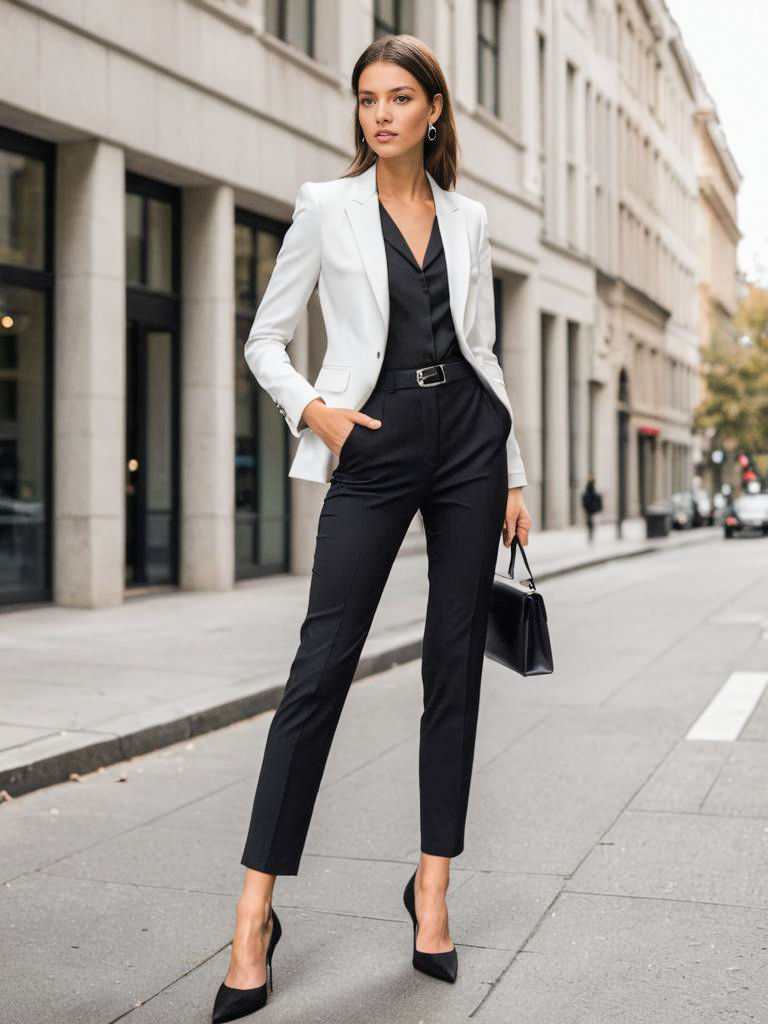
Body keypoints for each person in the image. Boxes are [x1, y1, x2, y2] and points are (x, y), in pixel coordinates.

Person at [211, 33, 532, 1023]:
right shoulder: (325, 208)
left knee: (453, 670)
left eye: (400, 97)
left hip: (472, 443)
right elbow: (264, 338)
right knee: (320, 669)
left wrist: (514, 470)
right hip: (375, 438)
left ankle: (431, 890)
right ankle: (253, 913)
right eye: (367, 98)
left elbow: (482, 348)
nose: (381, 113)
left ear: (434, 110)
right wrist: (315, 411)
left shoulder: (471, 219)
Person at [581, 474, 602, 542]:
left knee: (591, 522)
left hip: (592, 508)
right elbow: (585, 497)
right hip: (589, 508)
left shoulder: (593, 489)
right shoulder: (589, 488)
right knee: (590, 522)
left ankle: (591, 535)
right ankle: (590, 535)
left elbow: (596, 498)